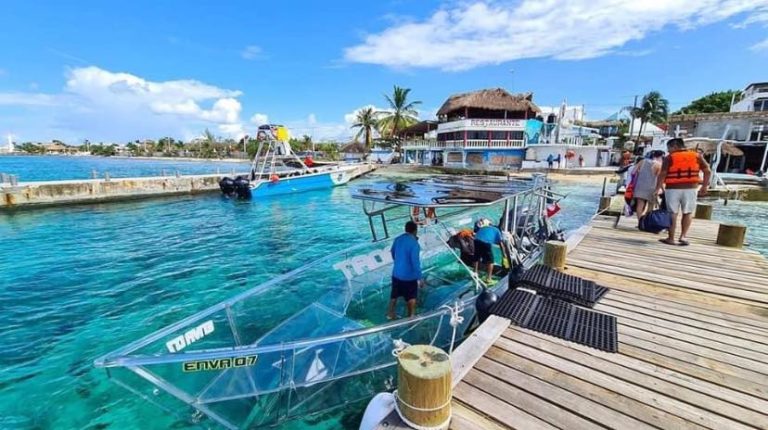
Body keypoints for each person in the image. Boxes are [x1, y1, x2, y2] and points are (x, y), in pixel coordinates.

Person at [656, 138, 711, 246]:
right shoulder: (696, 156)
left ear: (675, 146)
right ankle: (683, 236)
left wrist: (658, 188)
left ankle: (671, 238)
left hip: (672, 188)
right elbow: (707, 170)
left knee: (672, 213)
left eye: (669, 148)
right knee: (688, 212)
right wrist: (704, 186)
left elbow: (663, 174)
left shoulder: (669, 157)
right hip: (691, 188)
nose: (668, 151)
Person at [387, 221, 422, 319]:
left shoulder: (398, 239)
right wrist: (420, 278)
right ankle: (411, 316)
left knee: (394, 295)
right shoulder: (414, 244)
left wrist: (398, 263)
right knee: (411, 297)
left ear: (405, 229)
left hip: (396, 273)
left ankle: (390, 313)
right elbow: (415, 262)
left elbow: (392, 252)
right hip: (409, 277)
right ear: (415, 231)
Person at [631, 150, 664, 220]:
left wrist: (639, 175)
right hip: (652, 187)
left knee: (640, 205)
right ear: (660, 157)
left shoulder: (642, 161)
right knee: (650, 205)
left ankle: (640, 221)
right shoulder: (659, 165)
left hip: (640, 186)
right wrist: (662, 189)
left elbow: (633, 172)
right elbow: (659, 178)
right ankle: (647, 221)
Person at [473, 219, 503, 284]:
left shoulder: (485, 227)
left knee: (476, 257)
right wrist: (504, 254)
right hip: (485, 242)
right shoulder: (497, 230)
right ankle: (489, 279)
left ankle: (475, 274)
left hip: (476, 240)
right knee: (491, 261)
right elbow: (501, 243)